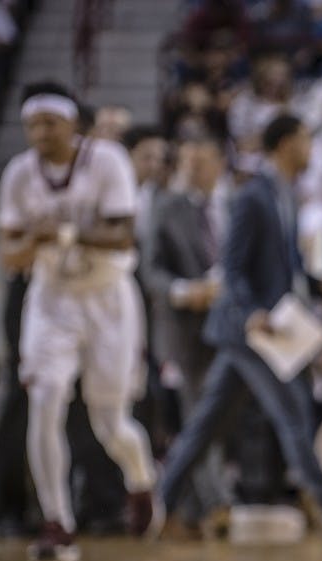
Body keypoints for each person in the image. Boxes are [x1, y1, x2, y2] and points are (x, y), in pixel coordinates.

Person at [157, 113, 322, 538]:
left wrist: (321, 286)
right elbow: (232, 267)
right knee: (294, 414)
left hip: (258, 331)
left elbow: (289, 263)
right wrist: (251, 313)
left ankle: (161, 502)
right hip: (252, 331)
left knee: (205, 425)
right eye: (305, 139)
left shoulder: (285, 192)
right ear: (286, 143)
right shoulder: (253, 195)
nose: (311, 150)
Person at [0, 81, 163, 561]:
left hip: (108, 297)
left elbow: (123, 235)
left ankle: (141, 480)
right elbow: (10, 253)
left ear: (72, 124)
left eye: (48, 122)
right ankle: (56, 522)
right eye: (31, 124)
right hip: (52, 299)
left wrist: (62, 232)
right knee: (45, 400)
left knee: (110, 423)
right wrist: (31, 244)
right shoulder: (19, 173)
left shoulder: (107, 160)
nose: (39, 132)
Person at [143, 135, 230, 536]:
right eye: (187, 163)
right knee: (198, 417)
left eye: (201, 162)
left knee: (211, 421)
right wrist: (184, 291)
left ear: (218, 163)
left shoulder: (231, 203)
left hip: (228, 328)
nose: (193, 170)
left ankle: (188, 505)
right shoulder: (166, 207)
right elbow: (151, 271)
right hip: (185, 330)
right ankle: (214, 504)